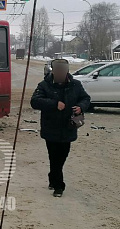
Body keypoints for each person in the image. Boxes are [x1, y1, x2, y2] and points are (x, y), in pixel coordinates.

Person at [30, 58, 90, 197]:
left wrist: (81, 107)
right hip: (51, 127)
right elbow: (34, 101)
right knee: (54, 157)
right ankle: (59, 186)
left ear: (67, 70)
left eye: (63, 70)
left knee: (61, 157)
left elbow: (86, 98)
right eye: (58, 70)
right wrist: (54, 103)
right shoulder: (45, 85)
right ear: (53, 70)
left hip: (69, 127)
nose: (60, 73)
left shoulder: (75, 85)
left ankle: (53, 177)